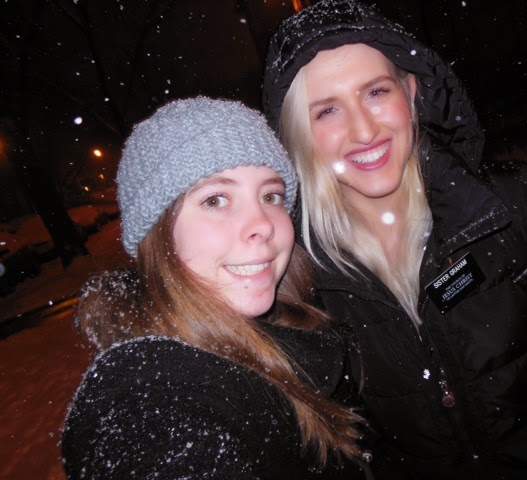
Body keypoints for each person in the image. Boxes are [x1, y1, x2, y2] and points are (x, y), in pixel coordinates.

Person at [261, 1, 527, 478]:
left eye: (376, 91)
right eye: (327, 110)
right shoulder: (297, 277)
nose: (363, 130)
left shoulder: (512, 208)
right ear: (297, 134)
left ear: (411, 92)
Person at [61, 97, 373, 479]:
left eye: (270, 196)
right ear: (158, 233)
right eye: (215, 199)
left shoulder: (303, 324)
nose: (263, 224)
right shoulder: (152, 402)